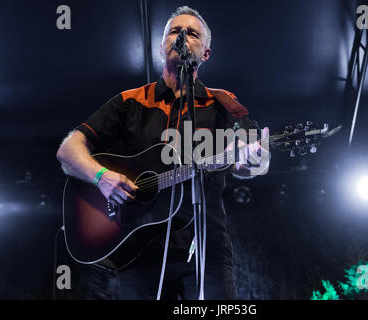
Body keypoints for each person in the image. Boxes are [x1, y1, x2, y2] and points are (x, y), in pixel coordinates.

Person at [56, 6, 269, 300]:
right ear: (161, 46)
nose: (181, 36)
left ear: (205, 53)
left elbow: (247, 160)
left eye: (192, 33)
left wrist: (250, 161)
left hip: (206, 248)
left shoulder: (223, 102)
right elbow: (68, 149)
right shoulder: (130, 102)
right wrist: (102, 176)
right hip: (140, 251)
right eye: (174, 31)